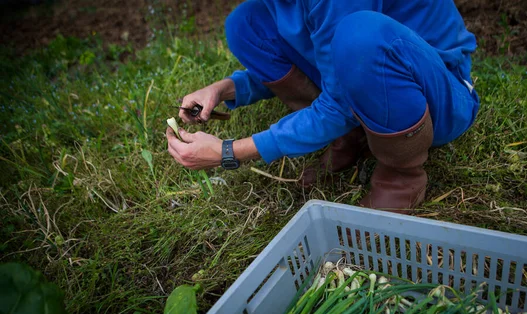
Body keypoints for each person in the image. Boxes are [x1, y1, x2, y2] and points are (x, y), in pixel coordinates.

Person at [166, 0, 479, 214]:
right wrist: (226, 88)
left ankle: (402, 175)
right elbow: (320, 51)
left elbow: (346, 82)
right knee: (245, 24)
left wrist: (230, 152)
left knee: (360, 37)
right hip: (366, 67)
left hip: (440, 97)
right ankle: (355, 133)